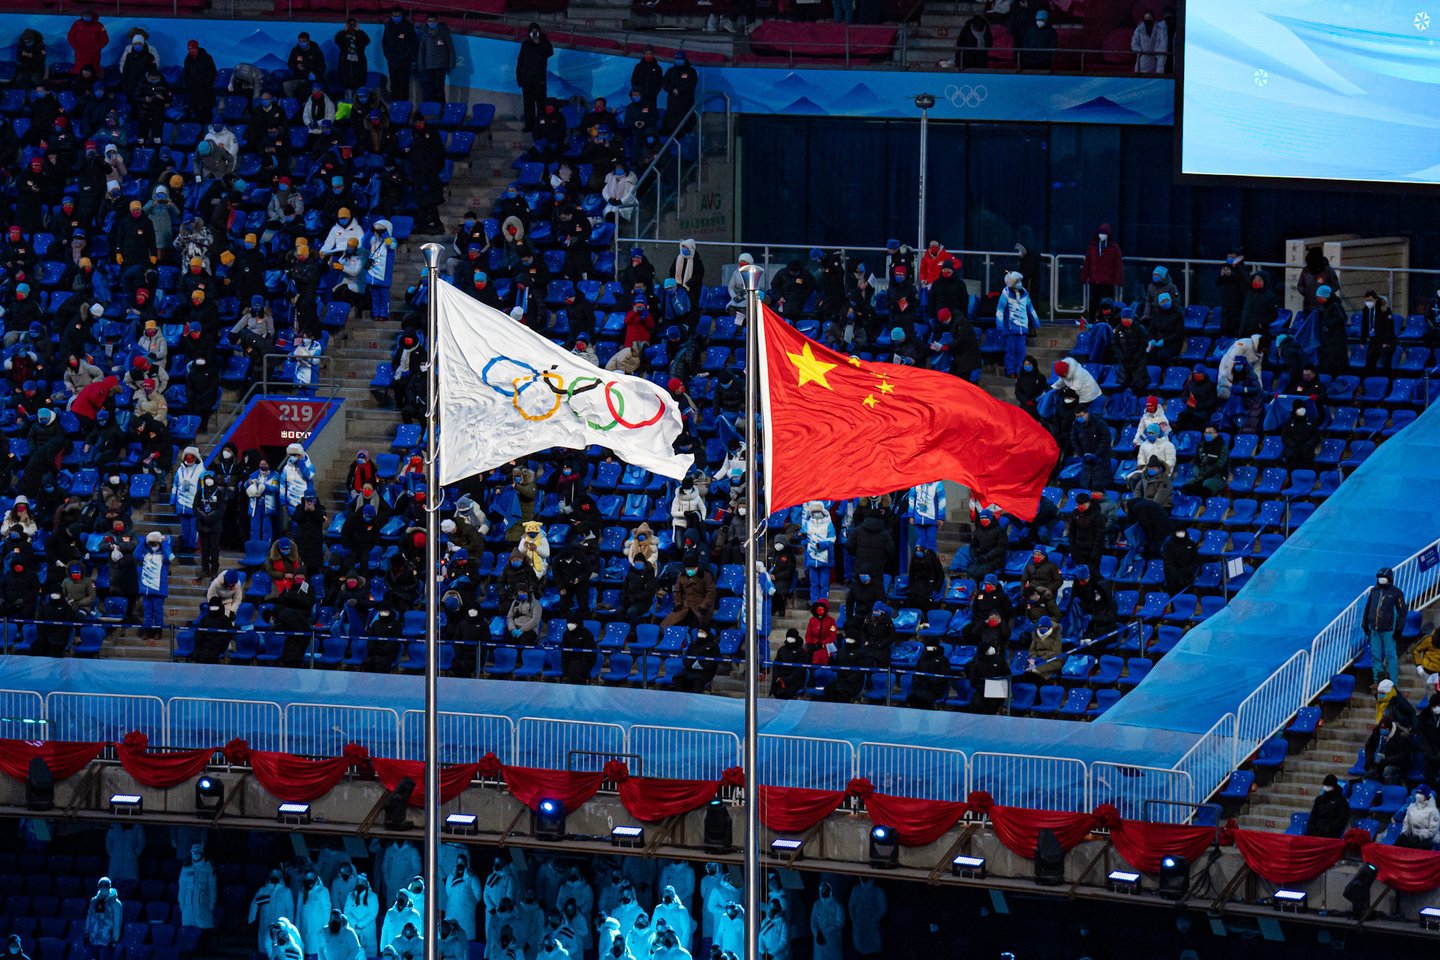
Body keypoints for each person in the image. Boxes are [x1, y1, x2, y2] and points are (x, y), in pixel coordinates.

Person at [1364, 566, 1407, 686]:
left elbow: (1403, 611)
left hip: (1389, 630)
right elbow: (1368, 608)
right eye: (1379, 577)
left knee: (1391, 656)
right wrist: (1365, 624)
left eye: (1383, 577)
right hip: (1374, 630)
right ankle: (1378, 681)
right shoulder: (1374, 591)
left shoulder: (1396, 592)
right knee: (1375, 656)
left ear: (1389, 578)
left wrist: (1399, 628)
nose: (1381, 579)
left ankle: (1393, 684)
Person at [995, 271, 1039, 377]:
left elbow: (1031, 309)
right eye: (1017, 281)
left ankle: (1020, 371)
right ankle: (1010, 371)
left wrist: (1036, 321)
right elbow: (1000, 311)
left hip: (1022, 328)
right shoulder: (1005, 294)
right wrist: (1000, 326)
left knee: (1021, 351)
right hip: (1010, 328)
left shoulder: (1024, 294)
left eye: (1020, 281)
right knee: (1010, 351)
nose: (1020, 283)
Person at [1080, 224, 1123, 322]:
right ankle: (1091, 320)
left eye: (1104, 233)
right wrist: (1084, 277)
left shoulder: (1114, 248)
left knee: (1107, 303)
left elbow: (1118, 264)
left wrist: (1119, 279)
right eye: (1100, 233)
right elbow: (1087, 263)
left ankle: (1105, 320)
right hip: (1095, 280)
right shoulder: (1093, 246)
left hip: (1108, 280)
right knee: (1093, 302)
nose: (1102, 235)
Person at [251, 870, 298, 957]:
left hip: (280, 928)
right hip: (265, 926)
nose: (274, 877)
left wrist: (289, 927)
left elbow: (290, 910)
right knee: (264, 948)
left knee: (280, 950)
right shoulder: (263, 891)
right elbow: (254, 904)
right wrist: (251, 919)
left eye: (276, 875)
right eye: (272, 875)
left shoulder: (286, 891)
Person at [516, 24, 554, 133]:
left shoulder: (544, 43)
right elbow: (520, 61)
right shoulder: (525, 44)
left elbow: (550, 52)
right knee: (528, 105)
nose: (534, 35)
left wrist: (540, 43)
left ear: (539, 32)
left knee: (541, 105)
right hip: (527, 80)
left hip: (539, 81)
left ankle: (541, 125)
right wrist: (519, 78)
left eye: (536, 32)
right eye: (532, 33)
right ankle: (529, 126)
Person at [800, 502, 836, 605]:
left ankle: (823, 603)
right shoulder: (808, 523)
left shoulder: (828, 524)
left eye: (818, 511)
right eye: (814, 512)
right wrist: (799, 535)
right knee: (813, 583)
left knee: (824, 584)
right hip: (812, 559)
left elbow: (832, 538)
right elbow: (803, 536)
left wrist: (821, 545)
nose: (816, 514)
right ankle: (814, 603)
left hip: (824, 559)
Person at [417, 13, 457, 105]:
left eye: (433, 21)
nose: (431, 23)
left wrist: (451, 63)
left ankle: (442, 108)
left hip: (441, 65)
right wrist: (421, 65)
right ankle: (433, 108)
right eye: (429, 21)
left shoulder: (444, 33)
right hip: (429, 65)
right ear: (427, 22)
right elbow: (421, 50)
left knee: (439, 88)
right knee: (430, 89)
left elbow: (450, 48)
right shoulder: (425, 34)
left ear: (437, 21)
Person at [178, 843, 217, 933]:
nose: (195, 854)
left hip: (203, 906)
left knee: (204, 931)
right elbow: (182, 887)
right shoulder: (186, 867)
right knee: (188, 932)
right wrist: (182, 904)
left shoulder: (208, 867)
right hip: (188, 908)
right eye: (193, 852)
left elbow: (212, 888)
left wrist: (211, 904)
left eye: (197, 852)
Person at [383, 7, 419, 101]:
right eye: (394, 16)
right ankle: (394, 105)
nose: (395, 18)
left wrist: (405, 57)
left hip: (404, 63)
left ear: (402, 16)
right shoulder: (388, 26)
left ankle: (404, 106)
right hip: (392, 62)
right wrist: (389, 56)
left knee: (404, 86)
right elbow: (384, 43)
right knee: (394, 86)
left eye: (398, 16)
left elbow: (413, 44)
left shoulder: (408, 27)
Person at [1360, 291, 1397, 374]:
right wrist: (1362, 341)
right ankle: (1370, 379)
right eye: (1366, 300)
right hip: (1374, 340)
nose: (1368, 302)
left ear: (1375, 299)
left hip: (1385, 340)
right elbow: (1364, 326)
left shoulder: (1384, 309)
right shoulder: (1366, 310)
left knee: (1386, 364)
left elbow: (1390, 327)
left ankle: (1387, 380)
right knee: (1369, 363)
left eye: (1370, 300)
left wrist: (1387, 342)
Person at [1398, 785, 1440, 850]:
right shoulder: (1412, 807)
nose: (1418, 795)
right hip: (1413, 837)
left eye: (1421, 793)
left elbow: (1432, 831)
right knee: (1399, 844)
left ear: (1426, 795)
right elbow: (1406, 823)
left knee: (1412, 848)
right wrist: (1404, 834)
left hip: (1428, 839)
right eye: (1417, 793)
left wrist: (1419, 837)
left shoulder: (1433, 811)